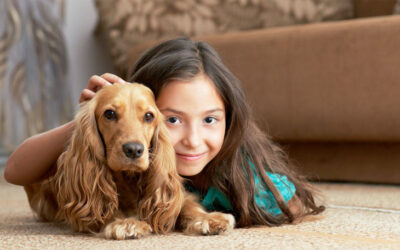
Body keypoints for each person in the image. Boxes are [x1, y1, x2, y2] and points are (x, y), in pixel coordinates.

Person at [4, 37, 324, 227]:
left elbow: (292, 204)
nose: (192, 139)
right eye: (171, 120)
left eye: (210, 120)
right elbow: (16, 171)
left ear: (230, 119)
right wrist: (94, 114)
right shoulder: (117, 148)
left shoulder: (238, 169)